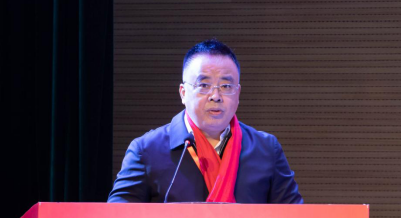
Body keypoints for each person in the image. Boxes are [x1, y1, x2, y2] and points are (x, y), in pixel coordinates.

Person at [108, 39, 303, 204]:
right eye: (204, 85)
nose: (215, 96)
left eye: (226, 86)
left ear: (238, 94)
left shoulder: (266, 149)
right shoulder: (146, 150)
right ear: (183, 93)